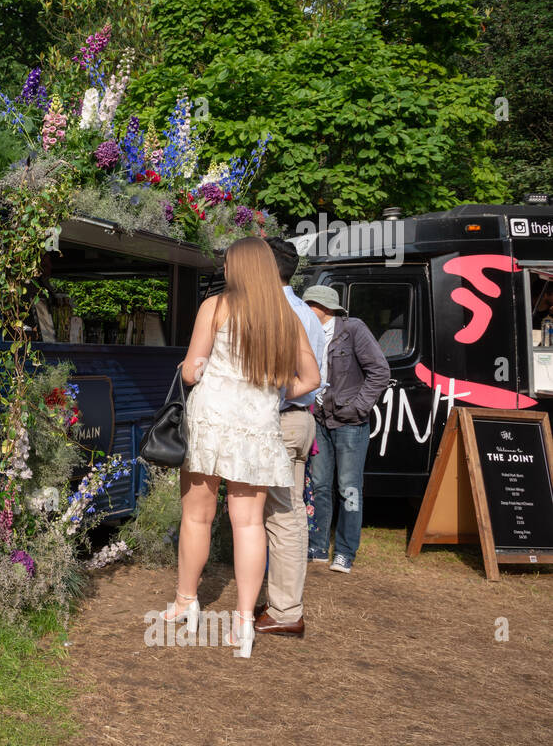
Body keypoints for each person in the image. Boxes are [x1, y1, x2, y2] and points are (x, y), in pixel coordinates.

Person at [161, 237, 320, 658]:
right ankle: (243, 624)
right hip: (257, 426)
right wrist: (275, 393)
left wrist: (195, 369)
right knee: (248, 524)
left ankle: (184, 602)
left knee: (197, 517)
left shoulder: (214, 307)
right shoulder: (285, 317)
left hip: (211, 421)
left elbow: (193, 372)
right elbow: (312, 379)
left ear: (239, 268)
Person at [255, 238, 326, 639]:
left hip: (281, 418)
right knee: (286, 513)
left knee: (283, 516)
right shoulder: (305, 312)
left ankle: (285, 610)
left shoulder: (278, 311)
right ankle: (282, 603)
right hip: (298, 419)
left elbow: (288, 378)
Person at [303, 285, 391, 573]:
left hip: (350, 422)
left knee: (349, 487)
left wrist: (357, 407)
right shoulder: (307, 333)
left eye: (309, 305)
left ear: (324, 308)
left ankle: (345, 552)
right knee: (319, 486)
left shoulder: (352, 329)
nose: (304, 310)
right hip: (319, 419)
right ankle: (317, 546)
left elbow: (380, 371)